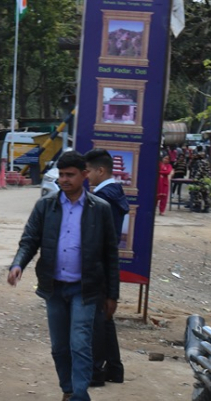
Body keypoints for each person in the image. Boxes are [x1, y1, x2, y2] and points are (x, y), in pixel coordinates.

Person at [7, 150, 120, 401]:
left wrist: (112, 295)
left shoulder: (100, 209)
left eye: (70, 175)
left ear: (85, 175)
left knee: (79, 343)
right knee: (59, 346)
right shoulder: (46, 206)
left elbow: (110, 255)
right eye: (61, 175)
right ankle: (68, 392)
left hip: (86, 288)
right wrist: (18, 264)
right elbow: (30, 238)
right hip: (54, 287)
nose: (64, 180)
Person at [84, 149, 129, 386]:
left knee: (96, 320)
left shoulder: (103, 200)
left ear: (101, 171)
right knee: (104, 318)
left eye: (89, 171)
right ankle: (114, 368)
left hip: (98, 266)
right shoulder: (114, 194)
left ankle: (96, 371)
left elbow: (101, 238)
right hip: (105, 264)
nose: (86, 176)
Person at [189, 146, 211, 213]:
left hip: (200, 180)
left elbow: (199, 171)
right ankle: (206, 207)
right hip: (206, 179)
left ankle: (198, 206)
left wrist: (195, 178)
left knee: (198, 193)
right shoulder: (206, 161)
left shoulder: (200, 162)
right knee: (205, 194)